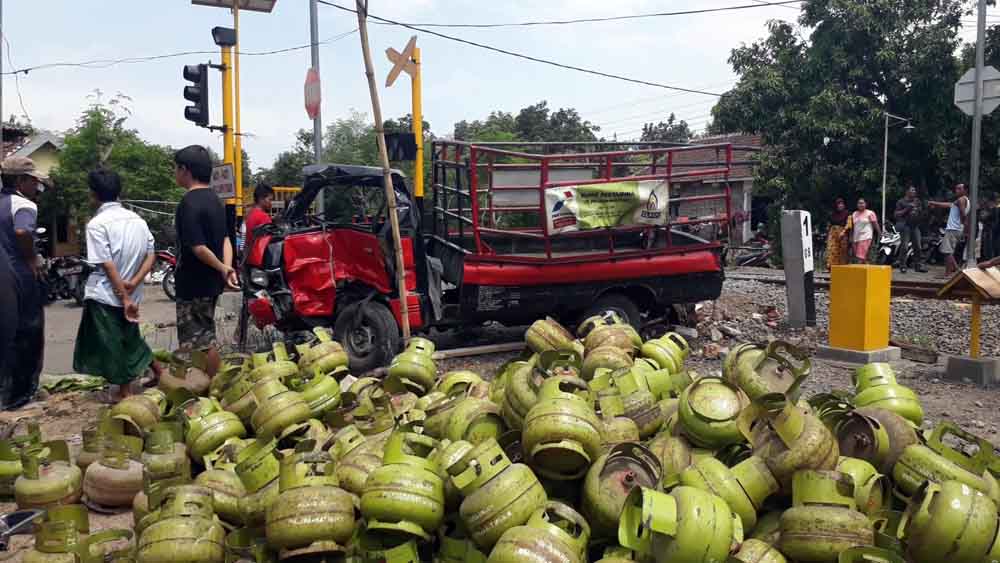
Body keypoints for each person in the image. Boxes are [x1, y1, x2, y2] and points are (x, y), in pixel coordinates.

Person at [73, 170, 157, 400]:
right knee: (130, 338)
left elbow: (107, 265)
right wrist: (134, 283)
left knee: (112, 343)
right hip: (130, 293)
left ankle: (125, 392)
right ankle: (158, 372)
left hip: (107, 295)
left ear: (93, 194)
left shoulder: (97, 224)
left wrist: (124, 297)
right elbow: (151, 255)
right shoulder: (138, 220)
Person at [173, 145, 238, 379]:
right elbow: (226, 239)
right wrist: (226, 268)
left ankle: (204, 385)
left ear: (185, 170)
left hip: (193, 283)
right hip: (212, 282)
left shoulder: (189, 203)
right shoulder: (215, 200)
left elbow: (198, 248)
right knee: (206, 334)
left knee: (196, 342)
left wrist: (223, 268)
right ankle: (213, 383)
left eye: (176, 168)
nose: (175, 173)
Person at [0, 156, 47, 410]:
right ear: (20, 180)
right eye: (33, 181)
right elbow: (22, 231)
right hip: (18, 276)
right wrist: (31, 258)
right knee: (28, 332)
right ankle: (20, 396)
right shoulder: (24, 205)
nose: (36, 186)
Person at [930, 183, 970, 275]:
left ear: (965, 190)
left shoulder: (961, 200)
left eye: (959, 189)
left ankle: (947, 273)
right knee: (949, 251)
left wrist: (963, 224)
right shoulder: (963, 200)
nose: (956, 190)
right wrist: (934, 203)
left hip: (953, 228)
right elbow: (949, 205)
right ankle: (956, 269)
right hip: (955, 228)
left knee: (947, 252)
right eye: (956, 188)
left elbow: (963, 214)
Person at [893, 185, 927, 273]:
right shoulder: (901, 202)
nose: (914, 192)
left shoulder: (917, 201)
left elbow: (921, 212)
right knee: (904, 246)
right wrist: (907, 209)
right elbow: (896, 214)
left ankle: (918, 266)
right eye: (912, 190)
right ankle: (902, 266)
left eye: (914, 190)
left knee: (918, 247)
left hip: (915, 226)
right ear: (907, 192)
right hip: (905, 226)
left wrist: (920, 213)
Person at [243, 183, 274, 252]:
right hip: (259, 254)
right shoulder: (263, 217)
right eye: (270, 200)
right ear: (261, 199)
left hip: (250, 253)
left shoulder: (251, 213)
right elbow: (269, 242)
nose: (271, 203)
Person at [850, 198, 880, 264]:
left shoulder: (870, 213)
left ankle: (859, 269)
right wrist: (851, 238)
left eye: (862, 203)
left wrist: (880, 234)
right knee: (860, 257)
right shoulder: (854, 214)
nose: (860, 205)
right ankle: (865, 268)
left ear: (866, 204)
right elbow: (852, 227)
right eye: (859, 203)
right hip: (856, 238)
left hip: (866, 236)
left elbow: (875, 224)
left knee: (860, 257)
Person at [825, 198, 850, 271]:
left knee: (842, 250)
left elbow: (849, 224)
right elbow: (829, 224)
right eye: (839, 204)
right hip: (833, 233)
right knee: (832, 249)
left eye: (842, 204)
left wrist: (843, 232)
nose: (840, 206)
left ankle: (843, 267)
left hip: (843, 233)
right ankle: (831, 267)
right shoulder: (832, 214)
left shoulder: (847, 213)